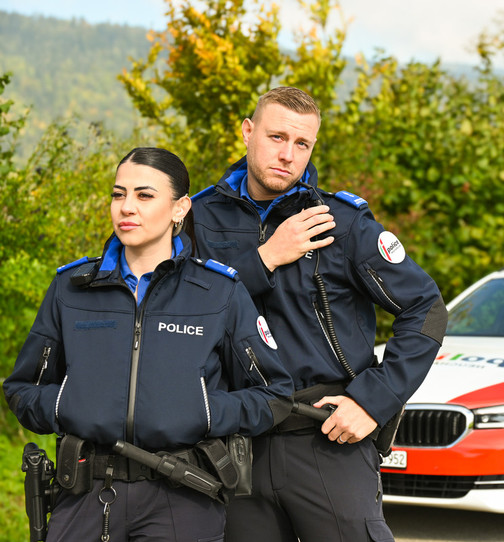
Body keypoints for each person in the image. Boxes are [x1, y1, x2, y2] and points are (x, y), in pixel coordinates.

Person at [192, 86, 448, 541]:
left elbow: (426, 309)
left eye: (302, 143)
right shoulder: (200, 219)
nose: (288, 154)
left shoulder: (340, 221)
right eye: (276, 137)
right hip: (233, 445)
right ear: (248, 132)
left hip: (325, 436)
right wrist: (265, 258)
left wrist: (374, 400)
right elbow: (181, 316)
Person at [3, 147, 295, 542]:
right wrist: (66, 404)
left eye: (144, 195)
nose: (126, 207)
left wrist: (205, 411)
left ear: (180, 208)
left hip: (182, 499)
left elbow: (275, 395)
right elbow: (21, 390)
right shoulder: (70, 289)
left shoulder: (218, 292)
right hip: (86, 493)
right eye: (118, 194)